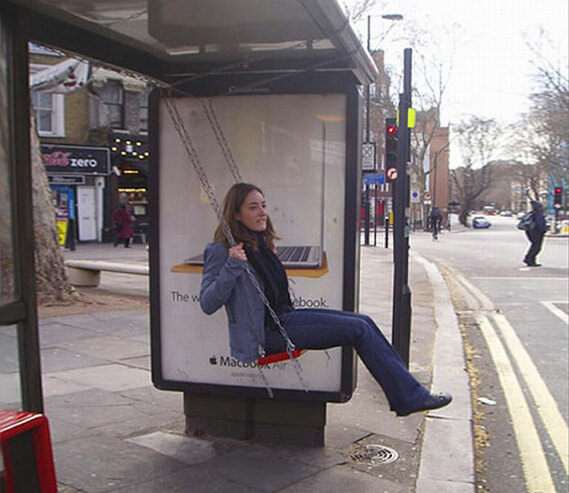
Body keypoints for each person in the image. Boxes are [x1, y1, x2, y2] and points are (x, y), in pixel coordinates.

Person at [199, 183, 452, 417]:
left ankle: (410, 394)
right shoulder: (222, 252)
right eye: (253, 207)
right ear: (236, 214)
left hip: (285, 318)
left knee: (364, 321)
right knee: (358, 330)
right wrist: (232, 266)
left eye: (263, 205)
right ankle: (409, 397)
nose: (262, 212)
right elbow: (207, 303)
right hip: (265, 335)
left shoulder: (260, 244)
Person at [523, 200, 547, 267]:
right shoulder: (538, 215)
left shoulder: (532, 213)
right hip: (537, 232)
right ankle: (530, 259)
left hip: (530, 231)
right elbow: (540, 224)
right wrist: (544, 229)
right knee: (536, 247)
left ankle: (529, 259)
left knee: (534, 246)